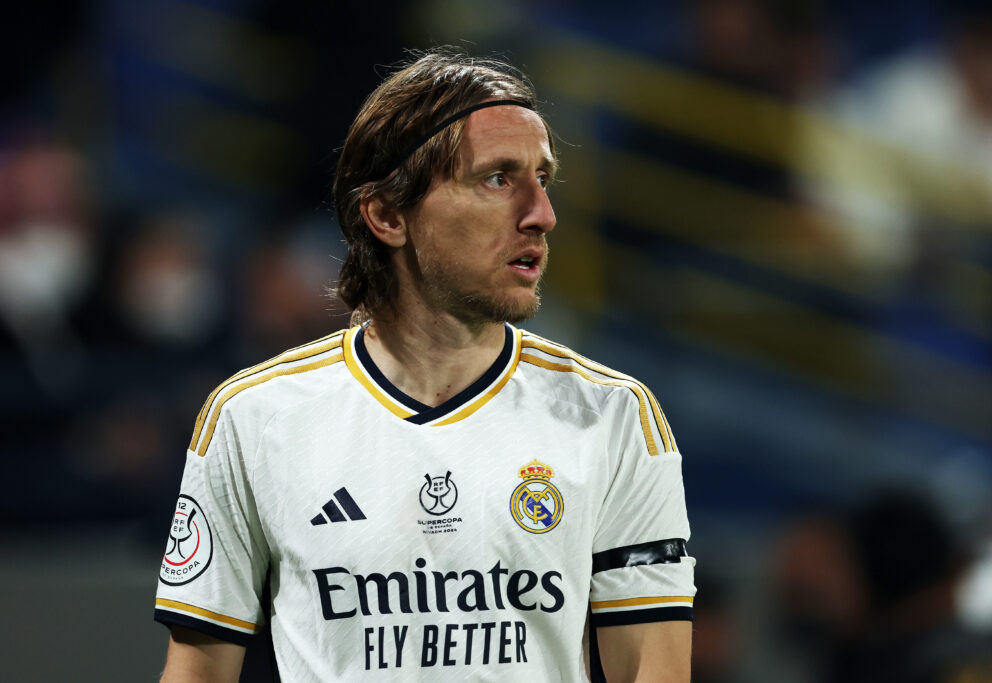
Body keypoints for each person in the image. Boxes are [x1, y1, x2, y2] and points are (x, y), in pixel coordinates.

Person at [154, 48, 696, 682]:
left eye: (542, 179)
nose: (541, 214)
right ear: (387, 215)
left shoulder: (613, 418)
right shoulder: (254, 419)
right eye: (497, 178)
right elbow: (197, 674)